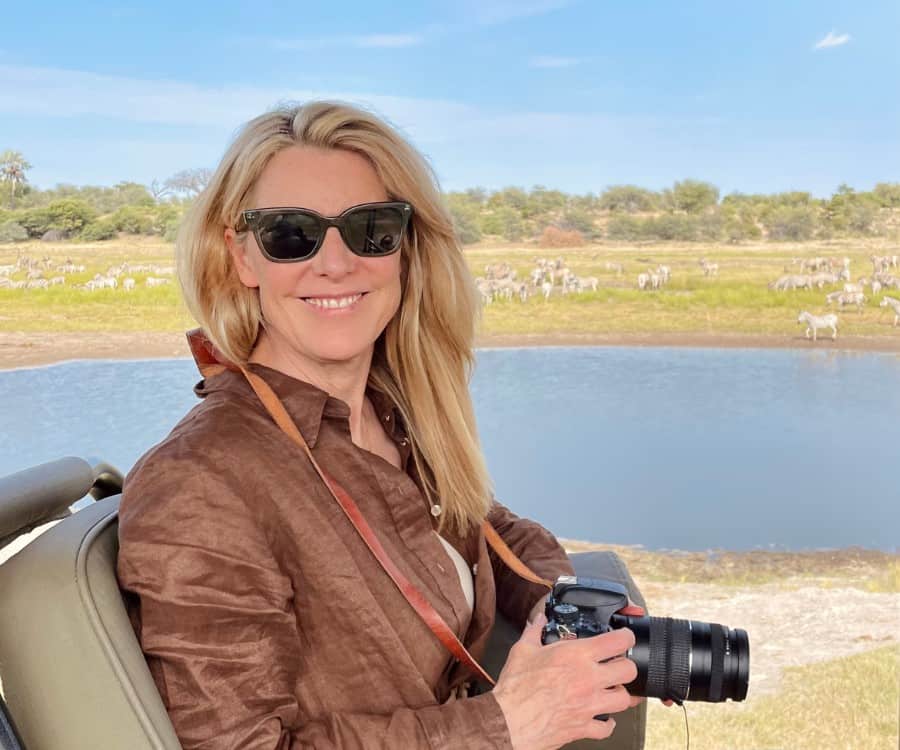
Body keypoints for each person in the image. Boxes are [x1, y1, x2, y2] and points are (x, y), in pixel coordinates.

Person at [117, 100, 642, 750]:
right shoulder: (199, 483)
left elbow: (484, 529)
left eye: (370, 229)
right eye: (291, 234)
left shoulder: (390, 415)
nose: (336, 263)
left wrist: (563, 607)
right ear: (242, 257)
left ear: (403, 249)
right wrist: (507, 724)